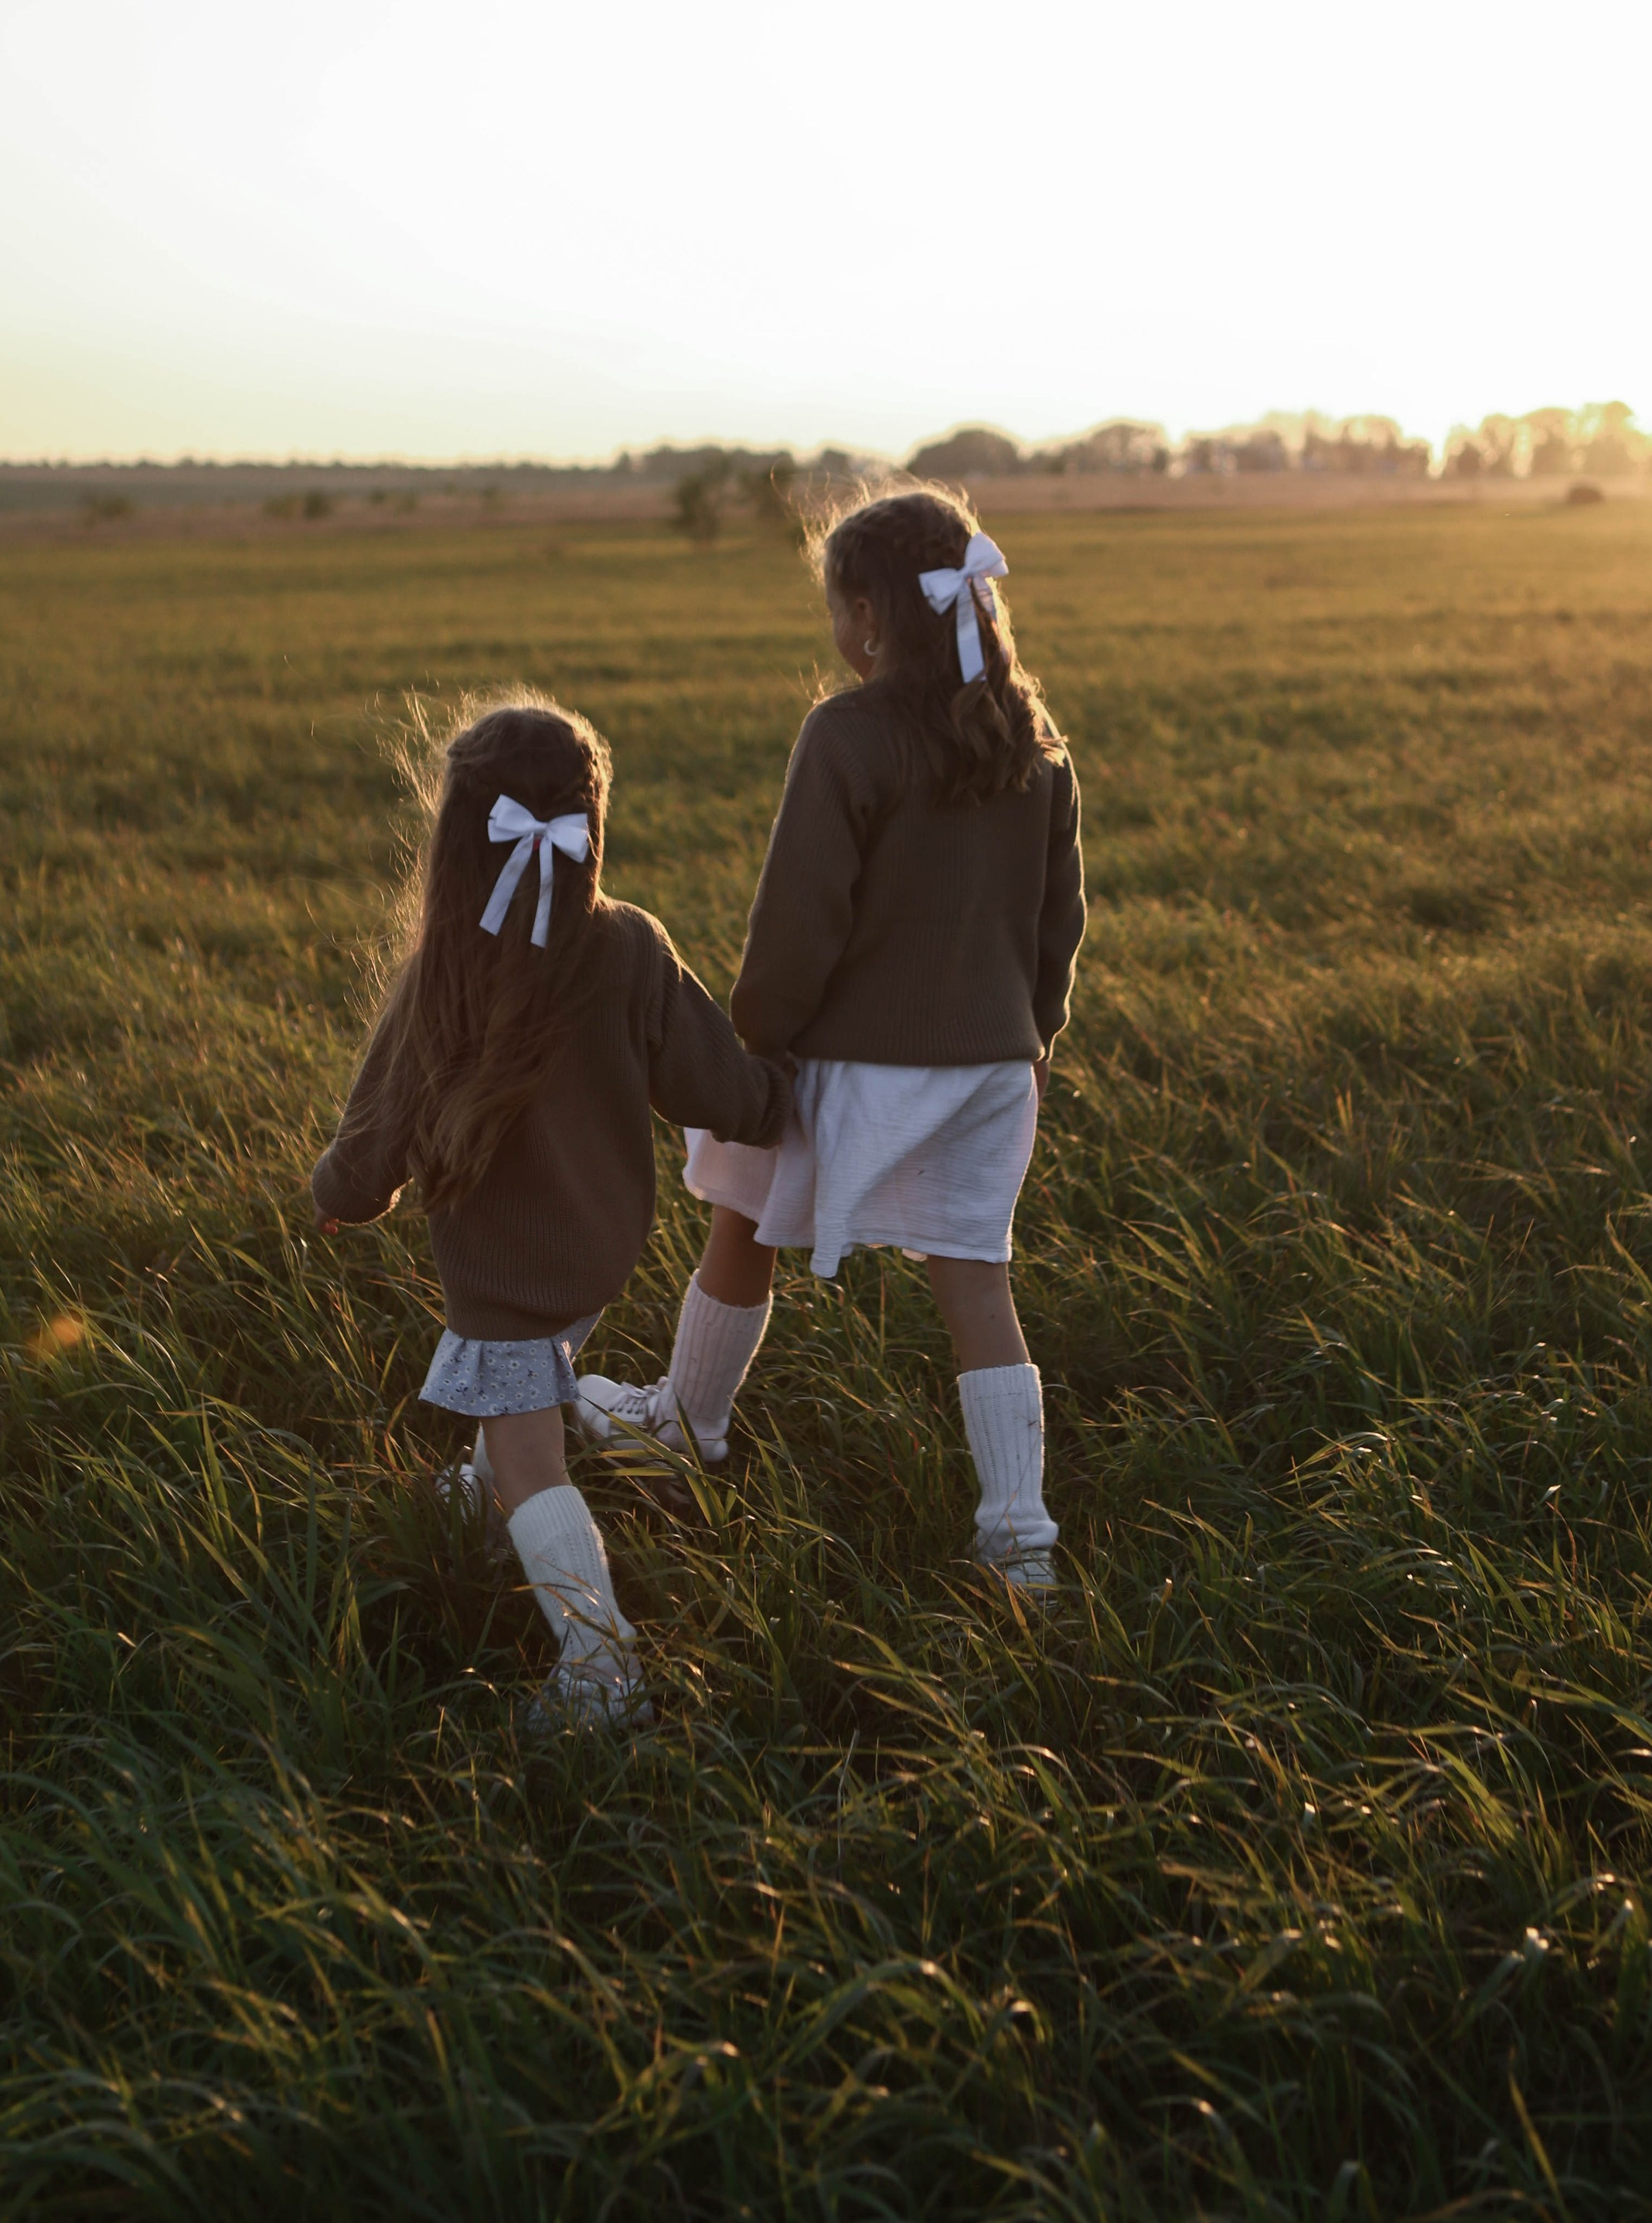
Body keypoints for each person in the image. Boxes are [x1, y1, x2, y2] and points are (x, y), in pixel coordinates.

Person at [573, 485, 1085, 1592]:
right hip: (993, 1069)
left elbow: (801, 922)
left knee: (741, 1222)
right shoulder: (1032, 736)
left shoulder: (846, 735)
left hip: (848, 1062)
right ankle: (1020, 1536)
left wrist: (748, 1052)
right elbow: (1059, 921)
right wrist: (1031, 1035)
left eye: (835, 612)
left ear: (866, 612)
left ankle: (690, 1428)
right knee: (976, 1283)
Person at [312, 696, 791, 1729]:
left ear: (457, 838)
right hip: (597, 1250)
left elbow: (373, 1134)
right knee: (520, 1420)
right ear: (589, 831)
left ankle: (599, 1668)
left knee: (535, 1466)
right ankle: (482, 1506)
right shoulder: (628, 945)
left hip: (503, 1285)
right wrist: (773, 1098)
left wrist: (340, 1198)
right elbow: (715, 1085)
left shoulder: (445, 967)